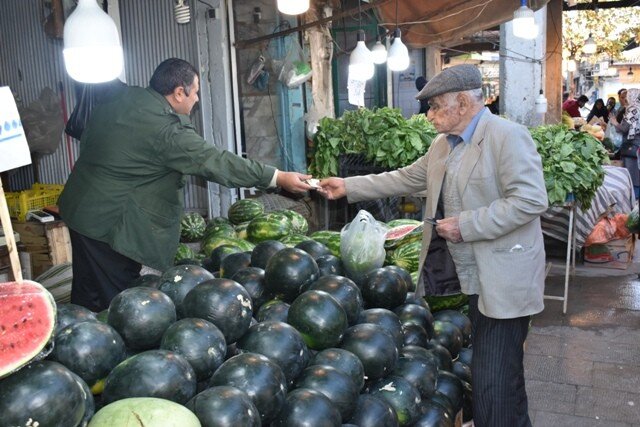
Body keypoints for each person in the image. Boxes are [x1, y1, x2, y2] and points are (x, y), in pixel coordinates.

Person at [319, 64, 547, 427]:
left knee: (491, 385)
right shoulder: (443, 145)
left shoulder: (507, 136)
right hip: (474, 278)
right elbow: (407, 177)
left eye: (436, 106)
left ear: (462, 103)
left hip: (506, 278)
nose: (429, 115)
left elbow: (531, 201)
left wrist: (466, 224)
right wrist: (349, 186)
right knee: (503, 376)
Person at [58, 58, 313, 312]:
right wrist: (277, 177)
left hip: (80, 210)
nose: (197, 99)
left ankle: (75, 336)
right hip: (107, 225)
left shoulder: (127, 96)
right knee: (117, 304)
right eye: (196, 92)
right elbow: (216, 162)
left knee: (86, 290)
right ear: (179, 93)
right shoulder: (167, 131)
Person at [609, 88, 640, 198]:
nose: (626, 99)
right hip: (637, 146)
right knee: (637, 174)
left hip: (632, 146)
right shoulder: (638, 108)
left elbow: (624, 128)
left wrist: (614, 122)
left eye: (627, 96)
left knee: (632, 176)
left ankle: (633, 204)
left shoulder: (633, 110)